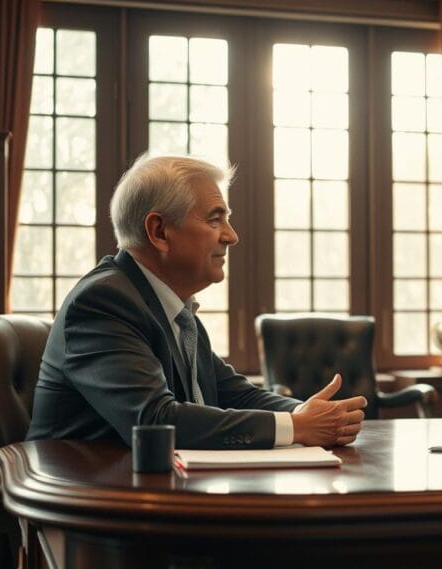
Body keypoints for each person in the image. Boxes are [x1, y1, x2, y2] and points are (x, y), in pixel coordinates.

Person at [27, 154, 367, 449]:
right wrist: (297, 427)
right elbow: (154, 420)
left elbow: (233, 393)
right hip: (87, 508)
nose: (232, 236)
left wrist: (307, 413)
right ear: (159, 231)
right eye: (215, 218)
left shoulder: (172, 307)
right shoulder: (103, 302)